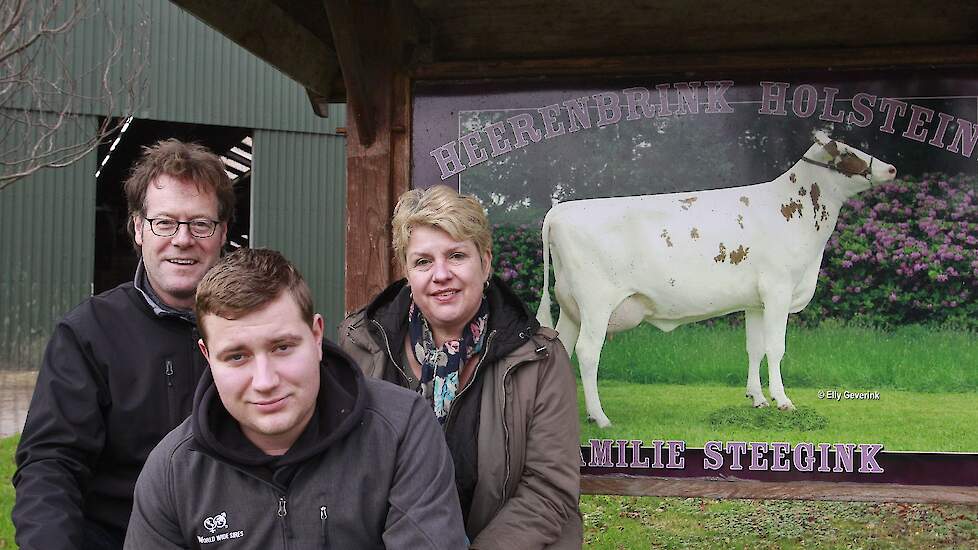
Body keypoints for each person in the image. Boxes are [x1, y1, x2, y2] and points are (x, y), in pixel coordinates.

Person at [124, 248, 467, 549]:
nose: (265, 381)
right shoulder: (172, 471)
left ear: (316, 335)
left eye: (283, 348)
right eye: (237, 357)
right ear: (208, 356)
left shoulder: (400, 429)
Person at [13, 139, 234, 550]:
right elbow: (51, 465)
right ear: (138, 228)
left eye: (200, 224)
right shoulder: (89, 333)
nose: (183, 239)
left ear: (222, 233)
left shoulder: (252, 326)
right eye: (164, 223)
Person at [340, 185, 582, 549]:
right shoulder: (359, 344)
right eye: (423, 261)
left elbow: (549, 490)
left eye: (456, 256)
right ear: (407, 272)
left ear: (485, 262)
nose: (440, 274)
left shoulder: (540, 358)